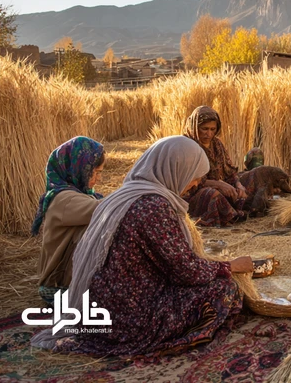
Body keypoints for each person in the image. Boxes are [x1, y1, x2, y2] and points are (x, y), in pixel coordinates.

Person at [31, 136, 253, 357]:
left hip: (107, 304)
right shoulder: (153, 206)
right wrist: (230, 266)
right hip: (127, 317)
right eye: (194, 177)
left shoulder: (129, 193)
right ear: (174, 169)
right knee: (225, 289)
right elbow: (187, 271)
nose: (195, 184)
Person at [32, 136, 105, 306]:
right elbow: (104, 209)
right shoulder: (64, 199)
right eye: (96, 172)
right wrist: (132, 193)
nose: (99, 178)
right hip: (58, 287)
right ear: (79, 168)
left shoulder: (80, 195)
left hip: (67, 282)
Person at [182, 105, 249, 226]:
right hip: (192, 196)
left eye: (213, 129)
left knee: (243, 191)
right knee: (212, 194)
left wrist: (238, 185)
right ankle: (231, 216)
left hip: (219, 187)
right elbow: (187, 181)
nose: (209, 134)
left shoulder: (217, 144)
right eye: (204, 129)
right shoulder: (186, 146)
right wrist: (218, 184)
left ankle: (234, 213)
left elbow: (229, 170)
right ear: (194, 127)